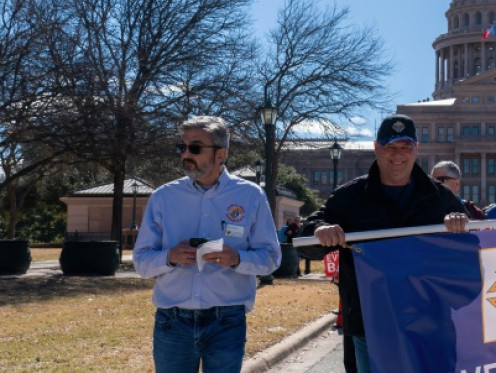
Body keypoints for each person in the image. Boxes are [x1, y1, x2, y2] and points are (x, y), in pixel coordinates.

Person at [310, 114, 469, 372]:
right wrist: (320, 230)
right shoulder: (350, 197)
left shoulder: (439, 198)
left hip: (427, 323)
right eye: (390, 147)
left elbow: (468, 249)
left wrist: (459, 225)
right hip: (371, 324)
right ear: (376, 148)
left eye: (405, 147)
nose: (398, 155)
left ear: (416, 149)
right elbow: (308, 236)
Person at [133, 116, 281, 373]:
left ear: (221, 154)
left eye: (196, 148)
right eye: (183, 147)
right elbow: (141, 262)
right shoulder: (164, 197)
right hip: (173, 321)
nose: (186, 154)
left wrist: (237, 259)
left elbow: (271, 258)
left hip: (227, 322)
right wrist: (169, 257)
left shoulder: (250, 196)